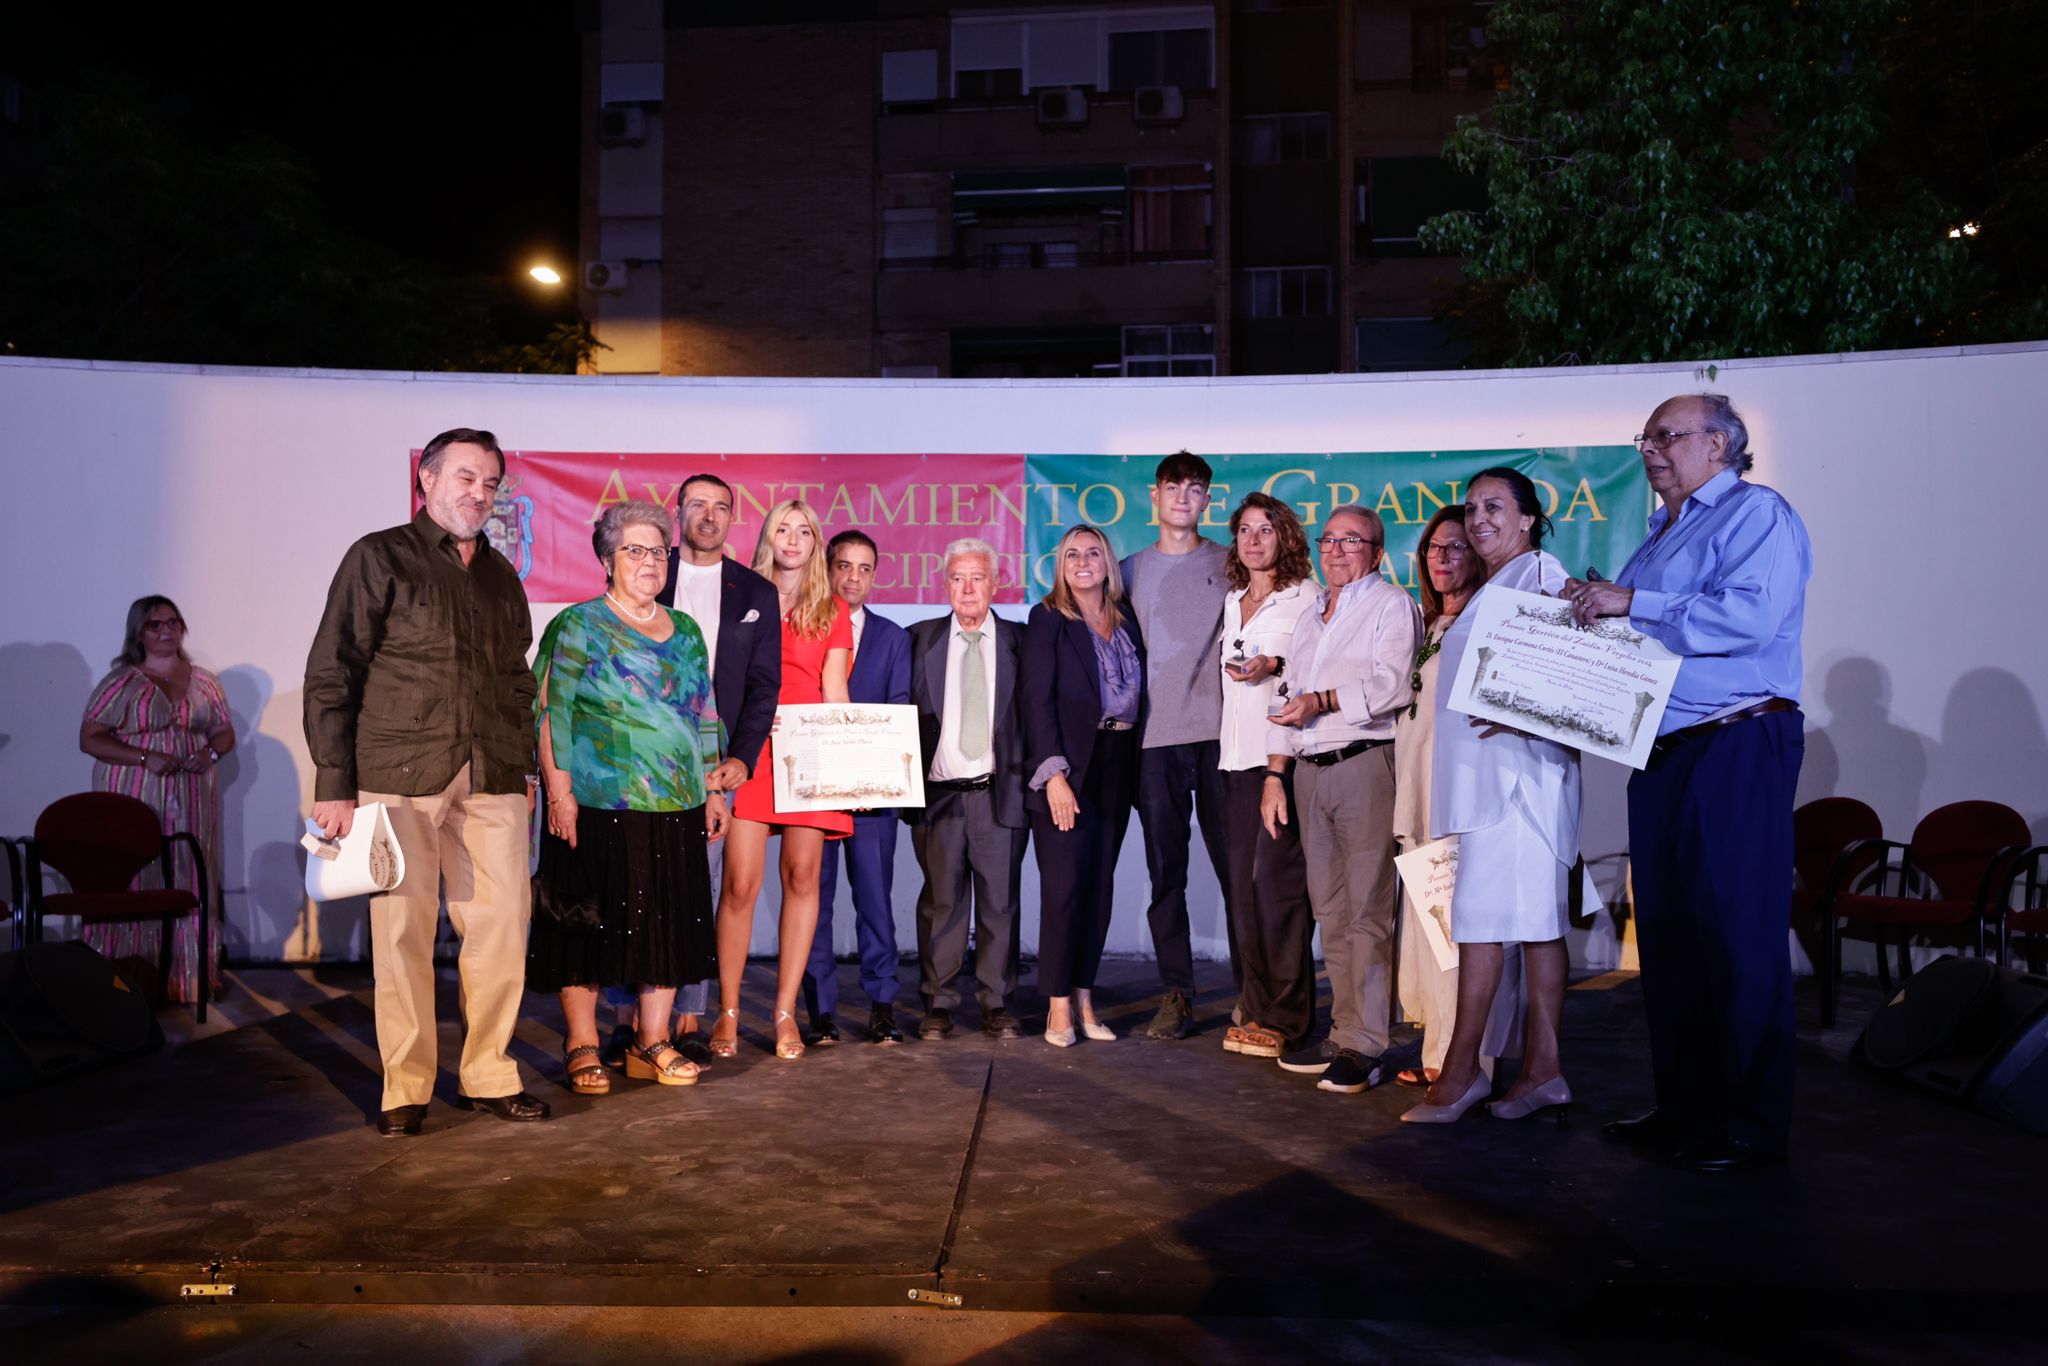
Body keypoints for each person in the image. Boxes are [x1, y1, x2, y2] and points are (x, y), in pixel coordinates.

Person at [1565, 394, 1810, 1172]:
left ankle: (1749, 1125)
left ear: (1721, 444)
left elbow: (1749, 618)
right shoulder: (1660, 533)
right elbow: (1640, 627)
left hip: (1736, 740)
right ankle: (1685, 1109)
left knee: (1738, 940)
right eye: (1646, 437)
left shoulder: (1754, 513)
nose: (1651, 450)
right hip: (1663, 749)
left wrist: (1632, 602)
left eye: (1667, 436)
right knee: (1668, 942)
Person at [305, 427, 547, 1136]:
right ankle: (405, 1087)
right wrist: (334, 780)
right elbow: (334, 668)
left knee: (503, 928)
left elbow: (515, 678)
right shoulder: (379, 556)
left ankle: (489, 1073)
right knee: (403, 931)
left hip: (493, 771)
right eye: (466, 478)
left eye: (492, 483)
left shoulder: (502, 576)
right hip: (399, 771)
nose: (480, 494)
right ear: (428, 481)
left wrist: (523, 764)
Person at [527, 501, 727, 1093]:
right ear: (607, 559)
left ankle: (652, 1043)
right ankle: (582, 1044)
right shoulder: (578, 624)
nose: (649, 561)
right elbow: (550, 712)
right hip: (595, 804)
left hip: (677, 804)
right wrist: (559, 793)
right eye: (635, 550)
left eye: (658, 550)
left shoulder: (685, 629)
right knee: (587, 924)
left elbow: (704, 713)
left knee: (667, 926)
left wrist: (714, 787)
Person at [1402, 468, 1581, 1125]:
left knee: (1501, 929)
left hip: (1515, 787)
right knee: (1514, 930)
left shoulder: (1538, 572)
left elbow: (1583, 669)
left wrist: (1529, 710)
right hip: (1486, 785)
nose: (1478, 519)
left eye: (1494, 507)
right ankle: (1535, 1071)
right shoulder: (1497, 584)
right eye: (1472, 507)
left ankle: (1470, 1072)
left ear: (1529, 517)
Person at [1261, 505, 1419, 1095]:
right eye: (1328, 539)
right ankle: (1343, 1030)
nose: (1335, 549)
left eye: (1351, 540)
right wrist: (1275, 774)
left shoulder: (1390, 605)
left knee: (1367, 911)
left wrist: (1323, 700)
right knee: (1329, 909)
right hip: (1309, 769)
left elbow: (1392, 685)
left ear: (1377, 553)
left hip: (1363, 765)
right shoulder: (1310, 616)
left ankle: (1367, 1045)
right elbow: (1287, 695)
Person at [1389, 506, 1524, 1090]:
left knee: (1463, 928)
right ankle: (1439, 1046)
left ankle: (1471, 1061)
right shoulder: (1429, 624)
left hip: (1463, 794)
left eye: (1457, 547)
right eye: (1433, 549)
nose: (1442, 559)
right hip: (1420, 789)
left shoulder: (1486, 622)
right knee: (1430, 926)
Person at [715, 499, 852, 1061]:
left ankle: (784, 1012)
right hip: (752, 752)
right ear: (767, 537)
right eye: (781, 529)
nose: (792, 538)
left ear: (816, 541)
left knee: (802, 879)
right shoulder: (742, 597)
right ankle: (726, 1012)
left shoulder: (832, 607)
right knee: (740, 884)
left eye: (803, 530)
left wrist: (850, 764)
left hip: (811, 754)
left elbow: (836, 690)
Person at [653, 473, 782, 1064]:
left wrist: (740, 759)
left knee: (698, 890)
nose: (709, 515)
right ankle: (639, 1016)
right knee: (642, 889)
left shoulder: (757, 592)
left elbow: (763, 688)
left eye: (721, 507)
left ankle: (687, 1015)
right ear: (677, 511)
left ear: (734, 518)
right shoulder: (649, 571)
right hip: (645, 760)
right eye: (698, 504)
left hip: (715, 768)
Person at [1119, 452, 1232, 1040]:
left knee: (1239, 872)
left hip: (1221, 740)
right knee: (1167, 874)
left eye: (1196, 487)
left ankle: (1259, 995)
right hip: (1153, 743)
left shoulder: (1232, 561)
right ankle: (1176, 993)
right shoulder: (1128, 571)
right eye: (1173, 486)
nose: (1184, 496)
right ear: (1154, 498)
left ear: (1208, 499)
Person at [77, 595, 236, 1005]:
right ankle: (126, 978)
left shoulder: (203, 680)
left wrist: (210, 753)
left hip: (192, 793)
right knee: (135, 876)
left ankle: (186, 980)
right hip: (133, 793)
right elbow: (90, 738)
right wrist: (145, 757)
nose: (166, 631)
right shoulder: (121, 682)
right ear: (139, 633)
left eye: (172, 622)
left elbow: (223, 731)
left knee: (188, 872)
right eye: (155, 625)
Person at [1025, 524, 1147, 1048]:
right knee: (1064, 890)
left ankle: (1085, 997)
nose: (1082, 561)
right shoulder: (1048, 618)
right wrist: (1053, 775)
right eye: (1071, 553)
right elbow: (1035, 701)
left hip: (1118, 764)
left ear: (1108, 563)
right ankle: (1056, 1006)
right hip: (1068, 769)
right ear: (1060, 565)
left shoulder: (1128, 619)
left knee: (1099, 888)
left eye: (1093, 552)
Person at [905, 538, 1031, 1041]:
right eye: (958, 578)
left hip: (1001, 795)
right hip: (941, 797)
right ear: (945, 585)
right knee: (941, 903)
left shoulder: (1023, 643)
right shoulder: (918, 639)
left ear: (995, 584)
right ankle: (938, 1003)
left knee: (1000, 903)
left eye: (978, 577)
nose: (968, 588)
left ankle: (998, 1003)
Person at [1213, 495, 1316, 1060]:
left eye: (1266, 530)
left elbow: (1308, 662)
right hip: (1234, 762)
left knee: (1278, 892)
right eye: (1245, 530)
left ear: (1286, 538)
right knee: (1243, 896)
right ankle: (1254, 1005)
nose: (1254, 540)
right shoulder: (1234, 601)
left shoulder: (1306, 597)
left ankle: (1287, 1017)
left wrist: (1273, 664)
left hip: (1281, 763)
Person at [803, 530, 913, 1045]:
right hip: (815, 794)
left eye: (864, 568)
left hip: (872, 797)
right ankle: (820, 1010)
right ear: (827, 568)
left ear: (875, 574)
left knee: (875, 901)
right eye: (843, 565)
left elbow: (896, 711)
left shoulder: (892, 637)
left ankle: (882, 1004)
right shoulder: (803, 626)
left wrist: (877, 776)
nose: (852, 577)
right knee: (813, 901)